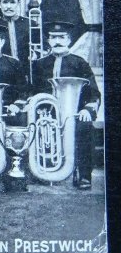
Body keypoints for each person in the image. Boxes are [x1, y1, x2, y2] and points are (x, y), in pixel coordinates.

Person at [29, 21, 101, 189]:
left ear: (69, 39)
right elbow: (32, 90)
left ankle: (83, 176)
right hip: (47, 113)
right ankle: (38, 170)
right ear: (48, 41)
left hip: (74, 113)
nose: (57, 41)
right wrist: (35, 107)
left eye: (61, 37)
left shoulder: (80, 63)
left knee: (84, 126)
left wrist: (87, 109)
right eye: (53, 38)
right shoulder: (39, 64)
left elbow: (94, 93)